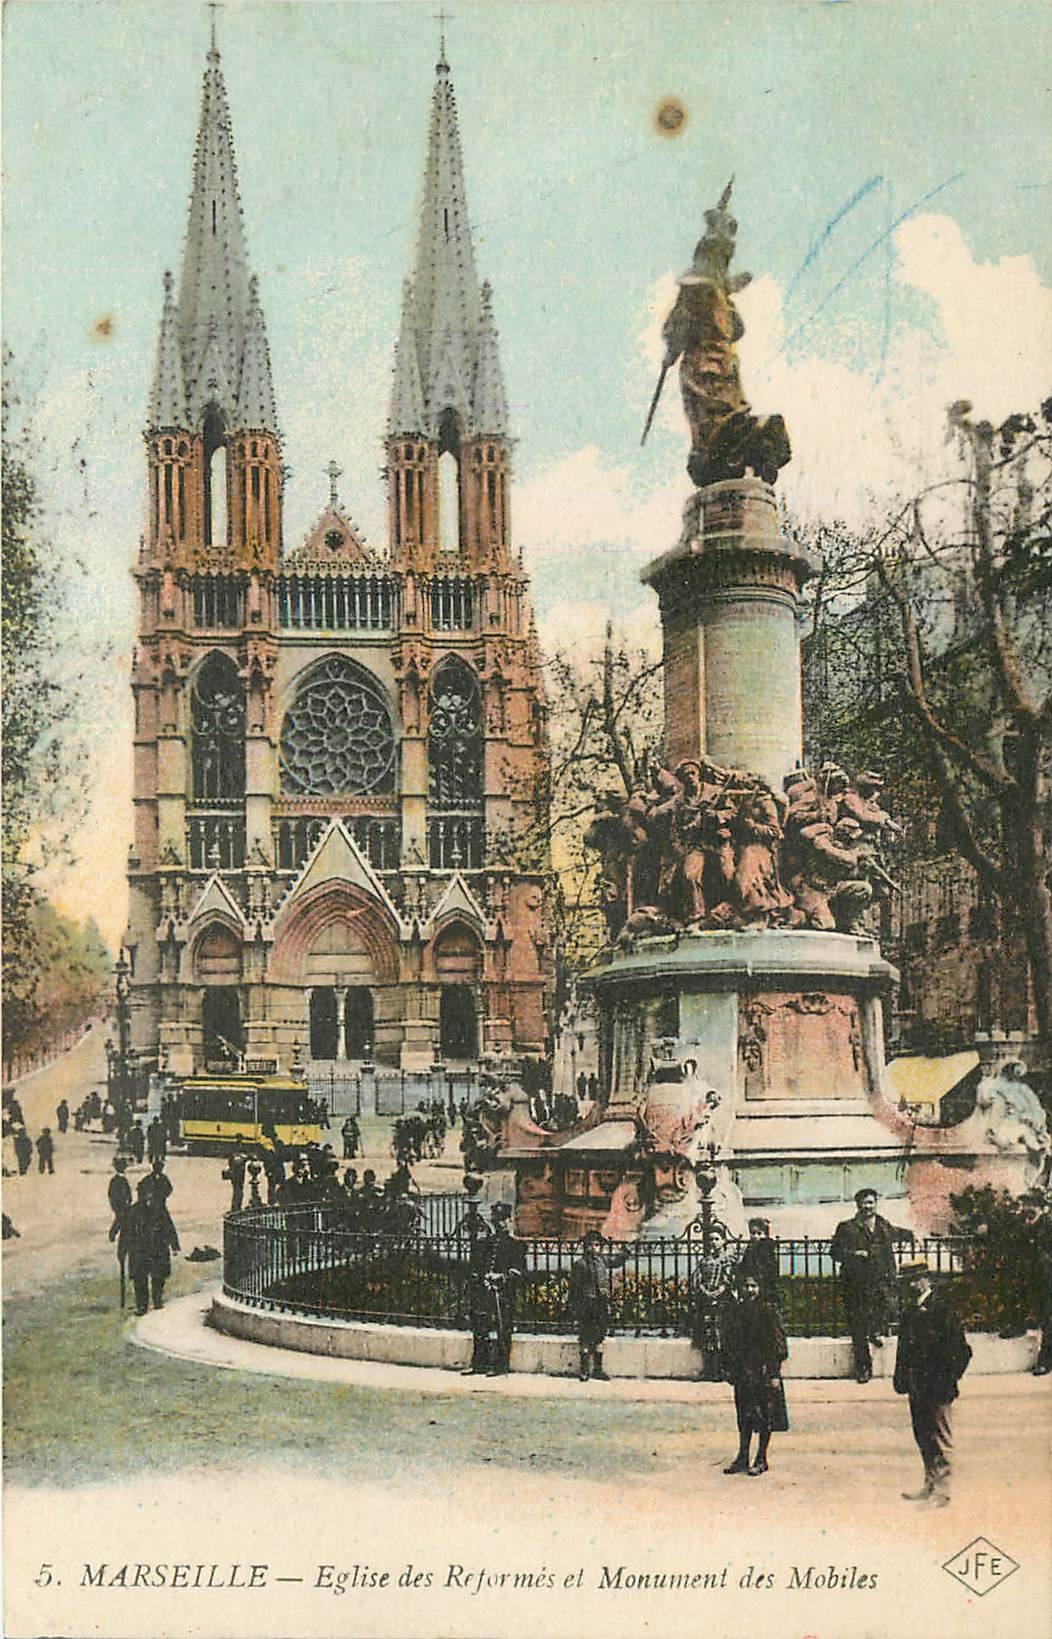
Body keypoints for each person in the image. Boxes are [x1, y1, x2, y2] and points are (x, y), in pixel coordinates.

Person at [894, 1259, 972, 1507]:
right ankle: (929, 1484)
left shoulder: (942, 1310)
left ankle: (943, 1491)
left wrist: (947, 1379)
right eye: (907, 1282)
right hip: (917, 1386)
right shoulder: (909, 1312)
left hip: (937, 1387)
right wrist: (902, 1380)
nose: (911, 1286)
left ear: (926, 1280)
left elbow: (962, 1351)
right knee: (923, 1436)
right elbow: (903, 1350)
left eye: (915, 1280)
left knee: (941, 1439)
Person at [722, 1272, 789, 1477]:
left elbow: (779, 1346)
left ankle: (761, 1458)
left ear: (760, 1288)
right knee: (744, 1416)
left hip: (763, 1372)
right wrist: (730, 1369)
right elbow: (730, 1342)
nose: (750, 1290)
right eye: (746, 1286)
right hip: (743, 1372)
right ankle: (742, 1457)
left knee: (764, 1416)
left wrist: (774, 1374)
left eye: (753, 1286)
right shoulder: (737, 1312)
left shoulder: (768, 1311)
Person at [831, 1188, 898, 1383]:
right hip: (856, 1284)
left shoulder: (882, 1224)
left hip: (879, 1282)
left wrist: (912, 1236)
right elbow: (834, 1252)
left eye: (871, 1202)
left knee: (883, 1310)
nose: (868, 1207)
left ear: (876, 1204)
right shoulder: (847, 1227)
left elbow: (897, 1232)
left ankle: (876, 1330)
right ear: (858, 1205)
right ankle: (864, 1368)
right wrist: (854, 1254)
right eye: (864, 1203)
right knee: (858, 1327)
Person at [569, 1229, 627, 1381]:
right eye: (589, 1245)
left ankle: (598, 1369)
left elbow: (616, 1261)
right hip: (586, 1303)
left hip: (601, 1303)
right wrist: (575, 1307)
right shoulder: (579, 1264)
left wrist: (626, 1252)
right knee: (585, 1337)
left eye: (596, 1245)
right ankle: (584, 1370)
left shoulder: (603, 1260)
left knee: (600, 1336)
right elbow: (574, 1288)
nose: (592, 1247)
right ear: (585, 1246)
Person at [123, 1178, 180, 1316]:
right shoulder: (133, 1210)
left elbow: (169, 1227)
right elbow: (127, 1232)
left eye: (147, 1192)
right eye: (142, 1193)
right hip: (140, 1251)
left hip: (157, 1248)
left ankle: (157, 1299)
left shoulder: (159, 1209)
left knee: (158, 1277)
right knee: (140, 1279)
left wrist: (174, 1245)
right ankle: (142, 1306)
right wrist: (124, 1250)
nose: (145, 1195)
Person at [484, 1202, 527, 1376]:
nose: (499, 1224)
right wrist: (486, 1276)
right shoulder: (489, 1242)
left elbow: (519, 1271)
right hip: (488, 1289)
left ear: (509, 1221)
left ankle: (501, 1365)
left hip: (505, 1292)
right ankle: (481, 1362)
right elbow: (484, 1264)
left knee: (503, 1329)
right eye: (496, 1221)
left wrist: (501, 1277)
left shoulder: (515, 1245)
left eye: (502, 1221)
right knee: (484, 1325)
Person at [738, 1217, 780, 1307]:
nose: (755, 1236)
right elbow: (745, 1265)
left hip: (764, 1284)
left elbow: (770, 1268)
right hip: (751, 1283)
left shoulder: (767, 1248)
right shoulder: (750, 1248)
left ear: (765, 1235)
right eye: (752, 1233)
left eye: (759, 1233)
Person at [222, 1143, 249, 1213]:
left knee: (236, 1191)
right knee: (238, 1191)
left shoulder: (234, 1156)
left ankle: (235, 1207)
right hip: (239, 1177)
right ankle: (237, 1207)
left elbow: (230, 1163)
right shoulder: (242, 1156)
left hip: (236, 1177)